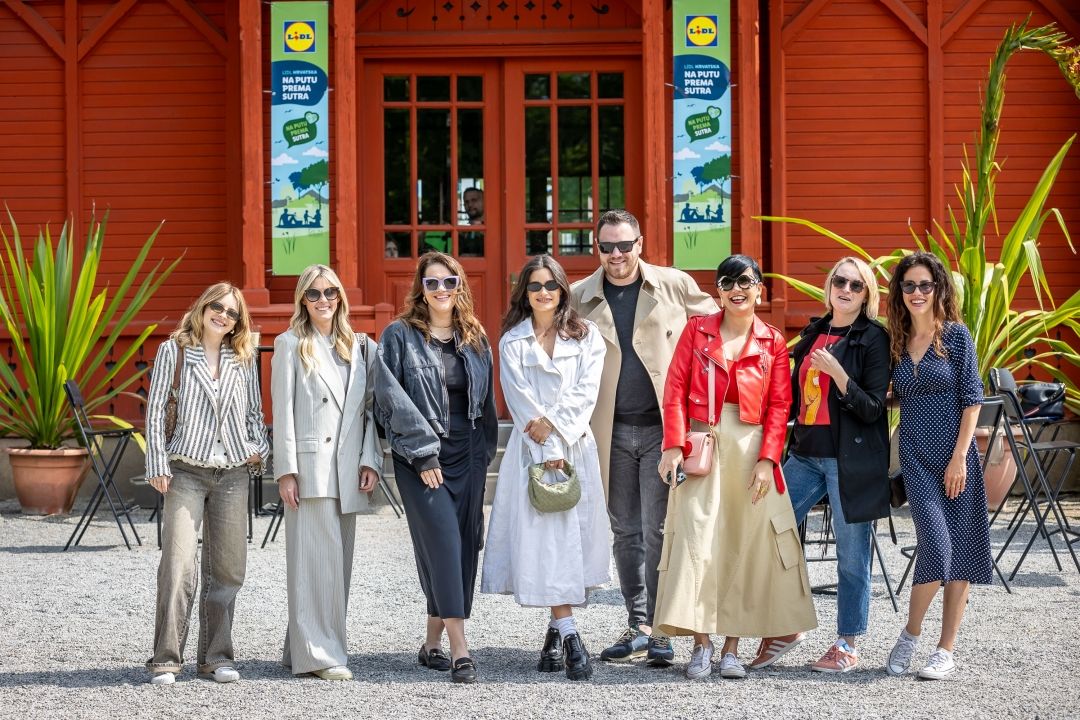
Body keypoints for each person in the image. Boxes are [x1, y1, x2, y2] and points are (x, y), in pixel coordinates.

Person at [655, 254, 817, 680]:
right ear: (718, 292)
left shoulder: (773, 341)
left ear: (759, 288)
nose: (736, 288)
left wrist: (768, 458)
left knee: (742, 543)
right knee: (696, 538)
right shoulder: (697, 330)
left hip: (750, 445)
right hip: (701, 439)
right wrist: (673, 444)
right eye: (727, 281)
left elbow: (782, 404)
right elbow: (674, 387)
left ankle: (732, 647)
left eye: (745, 280)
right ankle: (700, 644)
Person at [570, 209, 716, 666]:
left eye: (624, 245)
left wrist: (703, 409)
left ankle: (660, 626)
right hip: (607, 429)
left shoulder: (674, 284)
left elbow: (719, 327)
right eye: (607, 247)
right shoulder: (579, 297)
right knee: (624, 529)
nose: (616, 255)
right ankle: (636, 623)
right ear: (598, 249)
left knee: (657, 529)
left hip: (662, 430)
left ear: (640, 244)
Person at [753, 257, 891, 673]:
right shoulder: (813, 332)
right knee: (766, 529)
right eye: (840, 281)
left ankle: (847, 643)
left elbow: (871, 408)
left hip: (849, 461)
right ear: (829, 286)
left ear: (867, 295)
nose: (846, 289)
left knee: (852, 557)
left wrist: (840, 376)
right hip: (805, 455)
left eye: (857, 285)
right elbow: (791, 396)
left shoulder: (873, 338)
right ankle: (787, 626)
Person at [480, 255, 609, 681]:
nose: (542, 293)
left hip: (574, 447)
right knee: (548, 542)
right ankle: (571, 636)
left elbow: (586, 392)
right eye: (534, 286)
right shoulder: (512, 340)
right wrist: (546, 442)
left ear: (562, 290)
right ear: (525, 292)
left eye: (550, 285)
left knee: (571, 542)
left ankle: (557, 634)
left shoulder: (587, 336)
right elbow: (519, 400)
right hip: (532, 452)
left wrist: (555, 431)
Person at [373, 251, 499, 684]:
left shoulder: (475, 339)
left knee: (463, 547)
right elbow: (389, 400)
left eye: (449, 282)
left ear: (459, 286)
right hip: (421, 458)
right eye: (432, 284)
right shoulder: (399, 336)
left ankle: (431, 644)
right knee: (443, 542)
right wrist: (424, 453)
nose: (441, 290)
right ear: (420, 290)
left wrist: (483, 457)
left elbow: (485, 405)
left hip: (468, 456)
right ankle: (461, 649)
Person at [144, 283, 269, 686]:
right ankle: (166, 658)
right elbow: (156, 408)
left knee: (229, 569)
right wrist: (157, 462)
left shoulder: (243, 355)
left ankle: (216, 657)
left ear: (238, 321)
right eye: (217, 307)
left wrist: (256, 447)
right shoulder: (174, 351)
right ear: (201, 307)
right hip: (185, 471)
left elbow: (254, 411)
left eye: (232, 312)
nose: (223, 316)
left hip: (232, 472)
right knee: (178, 564)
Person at [885, 251, 992, 681]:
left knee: (960, 552)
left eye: (924, 285)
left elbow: (972, 399)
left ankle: (944, 648)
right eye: (908, 285)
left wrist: (960, 457)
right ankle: (911, 635)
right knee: (937, 544)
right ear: (900, 292)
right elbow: (889, 396)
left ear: (938, 289)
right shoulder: (895, 340)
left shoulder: (957, 337)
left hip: (955, 458)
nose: (916, 293)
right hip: (914, 455)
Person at [272, 265, 382, 681]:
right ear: (303, 299)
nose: (323, 300)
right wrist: (286, 470)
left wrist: (370, 458)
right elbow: (281, 412)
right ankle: (320, 654)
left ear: (340, 297)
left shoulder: (359, 346)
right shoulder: (290, 344)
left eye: (330, 292)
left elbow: (370, 411)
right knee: (316, 561)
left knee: (336, 565)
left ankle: (299, 646)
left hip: (349, 468)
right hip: (311, 467)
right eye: (314, 293)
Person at [459, 187, 485, 257]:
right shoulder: (462, 232)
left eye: (474, 200)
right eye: (466, 202)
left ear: (484, 201)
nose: (470, 205)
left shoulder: (492, 229)